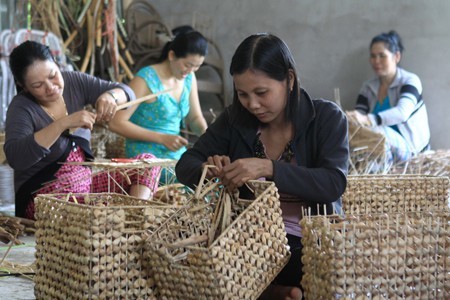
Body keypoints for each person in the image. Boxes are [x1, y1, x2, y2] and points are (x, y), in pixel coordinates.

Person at [175, 33, 349, 300]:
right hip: (249, 240)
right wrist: (209, 170)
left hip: (309, 244)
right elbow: (186, 164)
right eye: (243, 94)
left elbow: (332, 184)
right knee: (186, 258)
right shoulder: (235, 119)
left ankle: (269, 291)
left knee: (282, 265)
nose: (252, 104)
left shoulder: (326, 118)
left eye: (261, 92)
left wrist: (270, 168)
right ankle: (273, 292)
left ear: (289, 80)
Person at [4, 40, 160, 219]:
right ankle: (101, 218)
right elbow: (16, 156)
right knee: (81, 207)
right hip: (45, 198)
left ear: (57, 64)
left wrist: (111, 96)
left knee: (147, 164)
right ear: (24, 86)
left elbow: (126, 91)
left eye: (53, 75)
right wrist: (63, 123)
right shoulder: (21, 107)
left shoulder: (74, 81)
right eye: (38, 86)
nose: (50, 87)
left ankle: (136, 217)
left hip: (85, 186)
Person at [109, 26, 208, 161]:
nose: (191, 70)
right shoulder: (146, 79)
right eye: (187, 65)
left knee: (211, 178)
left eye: (197, 66)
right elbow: (116, 123)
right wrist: (161, 138)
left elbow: (195, 118)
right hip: (145, 157)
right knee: (183, 178)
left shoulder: (189, 78)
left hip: (173, 153)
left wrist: (208, 137)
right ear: (172, 55)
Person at [347, 30, 430, 163]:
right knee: (352, 136)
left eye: (382, 55)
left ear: (396, 56)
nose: (376, 61)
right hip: (379, 148)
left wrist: (368, 119)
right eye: (373, 56)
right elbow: (359, 119)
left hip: (411, 151)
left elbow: (402, 113)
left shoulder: (410, 80)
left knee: (378, 134)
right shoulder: (368, 87)